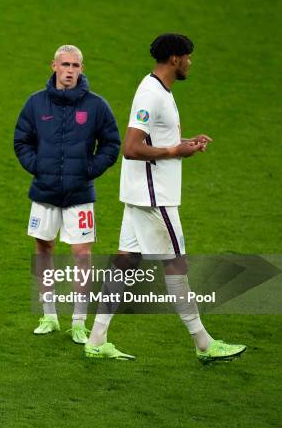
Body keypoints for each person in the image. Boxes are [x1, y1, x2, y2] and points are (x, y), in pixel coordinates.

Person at [84, 33, 246, 362]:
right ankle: (203, 344)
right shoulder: (151, 95)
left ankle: (97, 339)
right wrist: (175, 150)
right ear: (174, 58)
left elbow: (158, 138)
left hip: (143, 194)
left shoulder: (159, 90)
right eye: (188, 57)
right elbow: (131, 147)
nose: (190, 62)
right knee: (176, 264)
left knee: (125, 262)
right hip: (154, 197)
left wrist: (184, 143)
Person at [14, 45, 121, 343]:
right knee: (44, 249)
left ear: (82, 69)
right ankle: (49, 315)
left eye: (76, 65)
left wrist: (89, 170)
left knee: (82, 254)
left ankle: (78, 320)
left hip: (80, 193)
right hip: (44, 191)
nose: (70, 70)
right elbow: (22, 140)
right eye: (65, 65)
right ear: (54, 66)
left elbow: (112, 144)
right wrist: (38, 168)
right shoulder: (36, 104)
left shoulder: (96, 106)